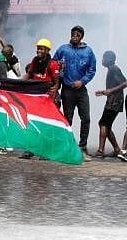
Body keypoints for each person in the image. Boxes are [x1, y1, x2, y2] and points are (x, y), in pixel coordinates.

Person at [53, 25, 96, 161]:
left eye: (78, 34)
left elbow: (92, 69)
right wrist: (58, 68)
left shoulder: (88, 52)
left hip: (81, 90)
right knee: (67, 119)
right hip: (67, 90)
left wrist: (82, 81)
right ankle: (66, 146)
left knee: (86, 118)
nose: (75, 35)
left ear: (82, 36)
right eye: (73, 33)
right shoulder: (63, 49)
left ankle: (83, 147)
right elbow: (53, 64)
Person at [19, 38, 61, 159]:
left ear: (47, 50)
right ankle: (31, 149)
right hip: (35, 97)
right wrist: (17, 83)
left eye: (42, 48)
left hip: (48, 98)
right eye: (38, 48)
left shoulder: (52, 64)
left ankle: (46, 151)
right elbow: (29, 74)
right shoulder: (35, 61)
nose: (39, 50)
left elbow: (57, 82)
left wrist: (52, 98)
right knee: (32, 123)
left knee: (46, 125)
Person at [94, 51, 127, 160]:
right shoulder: (111, 69)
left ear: (110, 59)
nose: (102, 60)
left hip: (114, 101)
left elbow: (125, 83)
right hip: (113, 100)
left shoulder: (114, 69)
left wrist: (110, 90)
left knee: (103, 123)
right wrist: (104, 92)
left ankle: (100, 150)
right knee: (107, 125)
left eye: (104, 58)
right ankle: (117, 149)